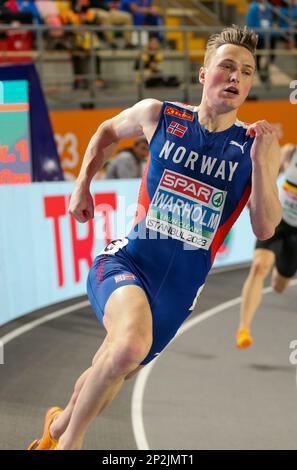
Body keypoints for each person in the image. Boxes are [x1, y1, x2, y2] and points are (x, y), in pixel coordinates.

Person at [27, 24, 282, 450]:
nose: (236, 77)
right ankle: (70, 444)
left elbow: (265, 227)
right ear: (204, 74)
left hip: (177, 294)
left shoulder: (254, 146)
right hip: (128, 262)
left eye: (247, 71)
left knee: (113, 365)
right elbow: (107, 131)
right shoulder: (160, 115)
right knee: (126, 347)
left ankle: (55, 428)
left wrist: (260, 165)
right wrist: (81, 184)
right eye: (227, 67)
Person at [237, 142, 297, 349]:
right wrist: (255, 196)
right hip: (277, 220)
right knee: (258, 267)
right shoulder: (290, 152)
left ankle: (281, 274)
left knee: (279, 284)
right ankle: (244, 328)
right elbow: (268, 176)